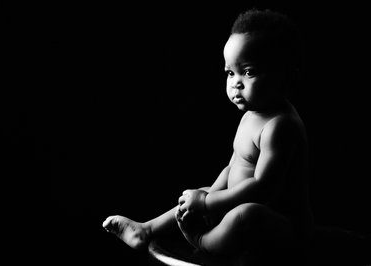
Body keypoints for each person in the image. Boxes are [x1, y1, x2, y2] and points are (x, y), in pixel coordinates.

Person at [103, 8, 314, 264]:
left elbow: (261, 187)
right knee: (197, 193)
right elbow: (235, 165)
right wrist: (209, 195)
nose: (236, 83)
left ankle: (202, 240)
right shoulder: (252, 114)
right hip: (241, 203)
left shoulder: (281, 125)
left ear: (287, 78)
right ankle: (145, 230)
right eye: (230, 73)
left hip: (281, 228)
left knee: (247, 215)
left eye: (248, 72)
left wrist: (208, 203)